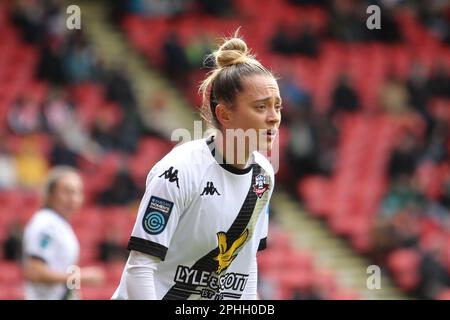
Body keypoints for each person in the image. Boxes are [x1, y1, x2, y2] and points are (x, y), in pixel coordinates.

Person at [112, 33, 282, 300]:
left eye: (277, 106)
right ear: (225, 115)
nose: (274, 118)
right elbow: (139, 269)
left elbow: (245, 265)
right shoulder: (179, 172)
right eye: (261, 107)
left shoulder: (264, 176)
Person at [22, 166, 105, 300]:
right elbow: (34, 272)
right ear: (50, 195)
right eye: (67, 192)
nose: (74, 198)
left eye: (78, 192)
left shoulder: (61, 224)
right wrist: (81, 276)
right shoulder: (46, 224)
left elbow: (67, 275)